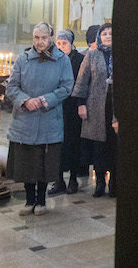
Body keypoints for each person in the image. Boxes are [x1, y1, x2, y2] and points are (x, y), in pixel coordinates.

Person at [4, 22, 74, 215]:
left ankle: (41, 201)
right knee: (27, 163)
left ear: (50, 38)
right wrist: (25, 100)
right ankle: (29, 201)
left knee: (44, 163)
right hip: (25, 119)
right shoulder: (23, 58)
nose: (40, 42)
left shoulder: (62, 60)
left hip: (48, 117)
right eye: (36, 38)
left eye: (43, 38)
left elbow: (66, 87)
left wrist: (45, 99)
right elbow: (12, 87)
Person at [72, 23, 118, 197]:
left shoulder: (123, 55)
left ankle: (115, 183)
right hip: (96, 106)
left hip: (116, 108)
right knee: (99, 147)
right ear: (99, 36)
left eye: (111, 33)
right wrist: (81, 104)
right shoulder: (92, 55)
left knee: (115, 146)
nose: (108, 36)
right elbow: (82, 80)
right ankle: (99, 182)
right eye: (105, 33)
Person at [49, 29, 86, 195]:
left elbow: (82, 82)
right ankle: (58, 180)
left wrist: (80, 103)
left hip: (72, 107)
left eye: (64, 43)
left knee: (73, 144)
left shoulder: (79, 59)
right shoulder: (52, 59)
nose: (61, 46)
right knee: (56, 144)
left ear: (71, 44)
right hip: (56, 106)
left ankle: (73, 179)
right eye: (58, 43)